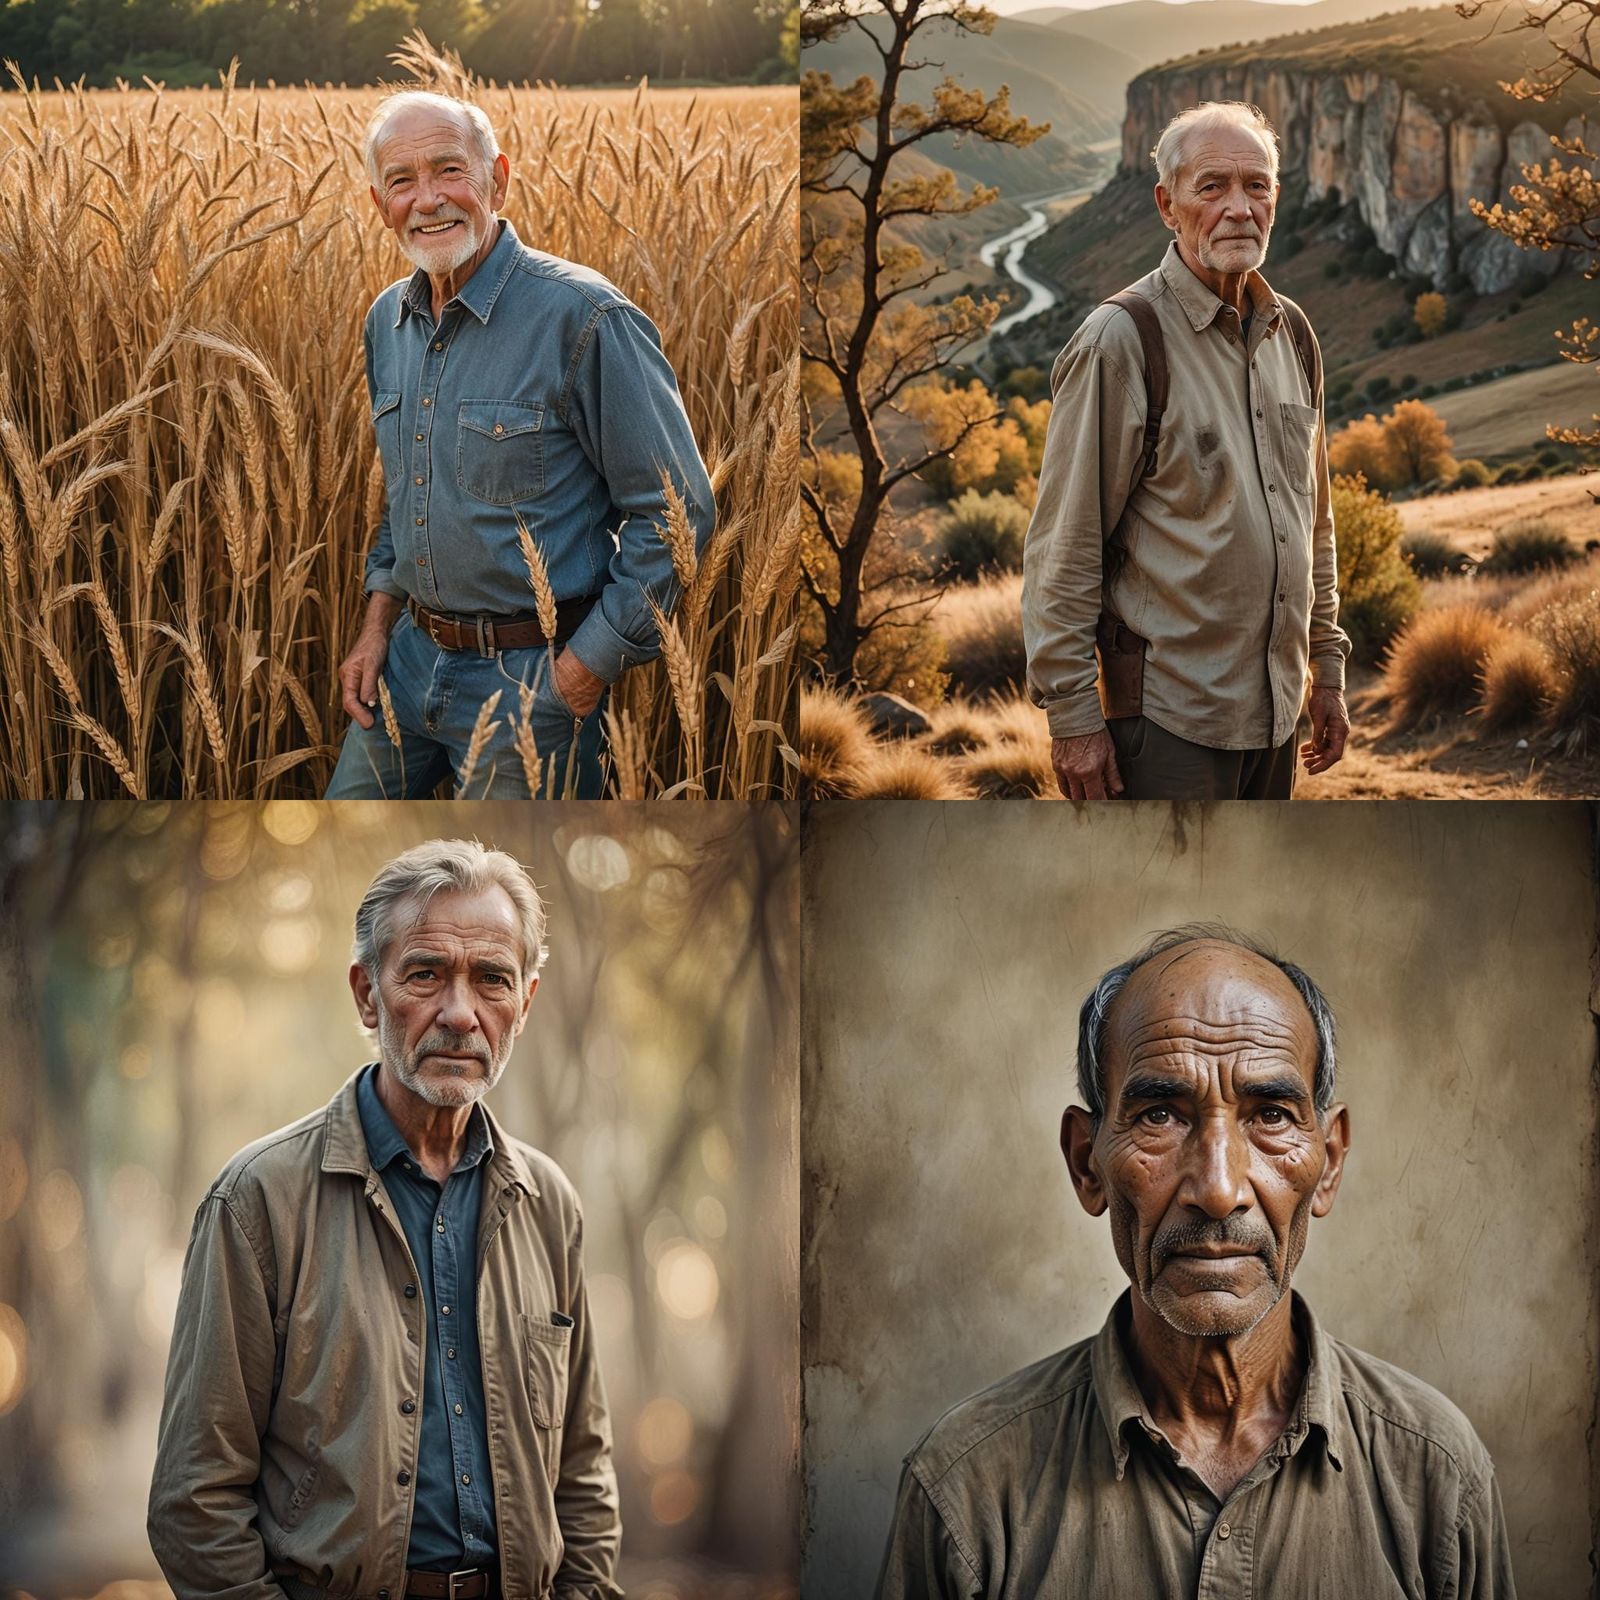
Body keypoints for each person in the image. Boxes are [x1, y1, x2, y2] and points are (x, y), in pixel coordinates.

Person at [875, 926, 1515, 1599]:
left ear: (1327, 1165)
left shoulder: (1438, 1475)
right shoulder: (965, 1491)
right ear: (1086, 1164)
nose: (1218, 1188)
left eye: (1270, 1114)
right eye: (1159, 1115)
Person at [148, 839, 620, 1600]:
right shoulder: (258, 1201)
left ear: (525, 1005)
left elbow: (584, 1472)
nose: (460, 1014)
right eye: (426, 974)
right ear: (368, 994)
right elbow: (193, 1503)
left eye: (492, 980)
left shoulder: (549, 1203)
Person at [325, 91, 715, 799]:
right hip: (406, 664)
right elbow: (405, 495)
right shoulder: (388, 322)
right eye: (402, 181)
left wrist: (583, 667)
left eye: (450, 170)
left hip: (529, 681)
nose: (429, 199)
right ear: (381, 203)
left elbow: (677, 511)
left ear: (497, 179)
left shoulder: (584, 317)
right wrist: (376, 627)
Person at [1022, 102, 1352, 801]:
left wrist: (1326, 669)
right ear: (1167, 205)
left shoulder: (1291, 332)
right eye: (1212, 187)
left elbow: (1313, 521)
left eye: (1256, 186)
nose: (1239, 208)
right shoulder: (1120, 341)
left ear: (1276, 199)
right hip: (1169, 723)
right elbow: (1064, 545)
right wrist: (1074, 719)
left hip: (1276, 715)